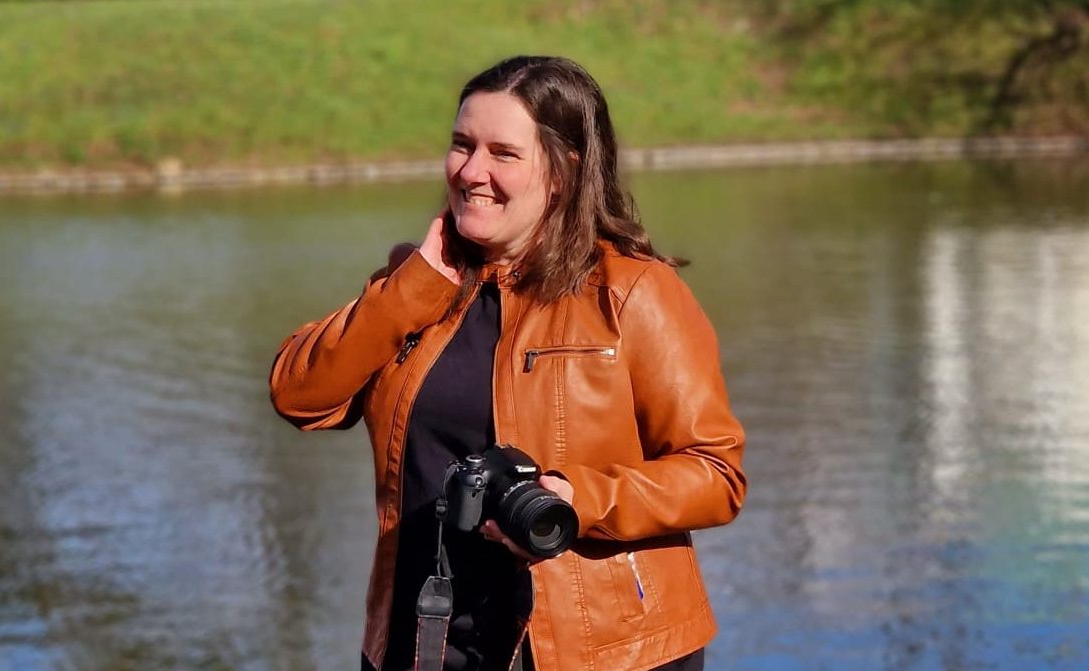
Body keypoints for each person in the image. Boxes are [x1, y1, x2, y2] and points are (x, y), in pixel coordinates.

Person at [269, 55, 747, 671]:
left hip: (604, 650)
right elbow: (299, 396)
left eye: (503, 153)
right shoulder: (416, 287)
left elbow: (715, 473)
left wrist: (578, 499)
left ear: (563, 171)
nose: (472, 172)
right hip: (424, 641)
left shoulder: (632, 292)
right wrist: (408, 292)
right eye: (462, 145)